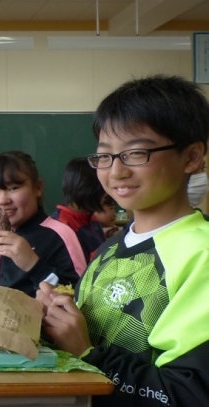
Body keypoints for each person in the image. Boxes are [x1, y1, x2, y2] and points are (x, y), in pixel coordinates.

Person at [38, 75, 209, 406]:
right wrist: (53, 319)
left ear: (190, 158)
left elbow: (191, 393)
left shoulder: (200, 254)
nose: (115, 172)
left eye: (135, 153)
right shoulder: (112, 247)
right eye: (104, 156)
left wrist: (88, 353)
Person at [0, 151, 84, 298]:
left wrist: (33, 265)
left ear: (37, 188)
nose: (3, 200)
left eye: (13, 188)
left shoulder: (60, 234)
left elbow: (79, 299)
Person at [50, 157, 107, 261]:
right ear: (88, 190)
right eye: (103, 189)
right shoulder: (62, 226)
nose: (106, 194)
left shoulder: (91, 217)